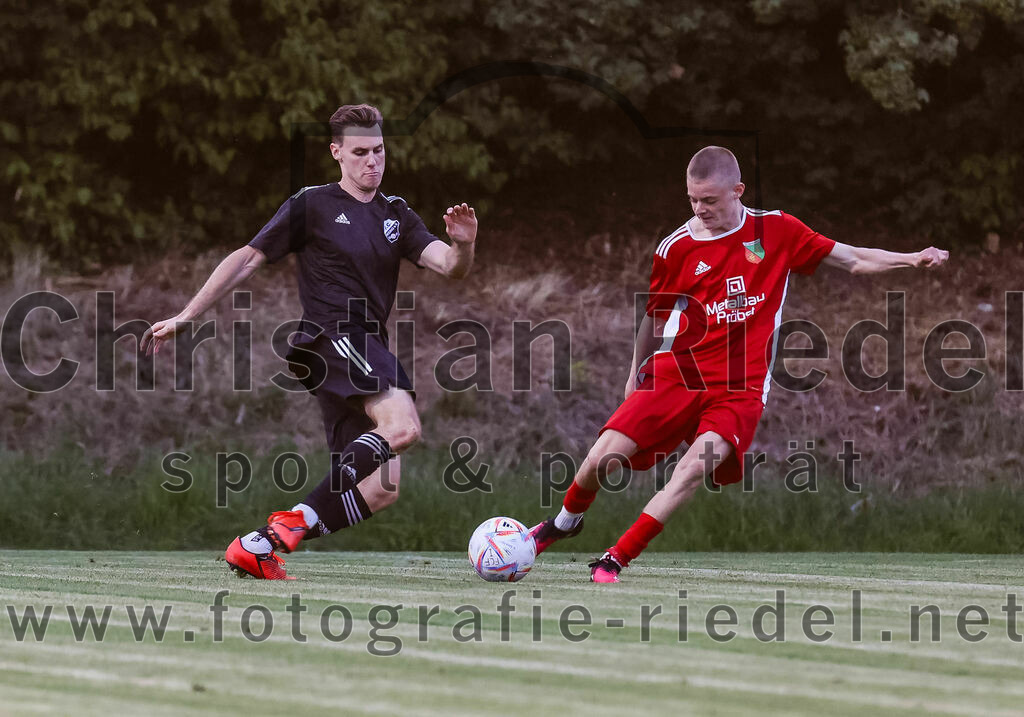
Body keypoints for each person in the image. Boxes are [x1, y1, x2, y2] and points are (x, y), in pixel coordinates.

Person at [529, 146, 949, 583]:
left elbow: (854, 259)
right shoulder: (677, 247)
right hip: (679, 371)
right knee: (602, 458)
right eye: (693, 199)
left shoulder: (778, 230)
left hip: (740, 388)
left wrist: (911, 258)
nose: (700, 209)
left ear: (738, 191)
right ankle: (564, 523)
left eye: (709, 200)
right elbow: (655, 316)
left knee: (694, 468)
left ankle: (615, 558)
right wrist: (634, 374)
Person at [140, 104, 478, 579]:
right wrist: (187, 315)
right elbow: (247, 259)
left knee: (381, 488)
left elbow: (449, 266)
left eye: (379, 150)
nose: (372, 162)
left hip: (359, 346)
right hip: (334, 335)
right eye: (360, 152)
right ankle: (290, 522)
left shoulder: (395, 213)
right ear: (336, 152)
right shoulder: (313, 205)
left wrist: (464, 243)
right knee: (402, 429)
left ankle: (260, 545)